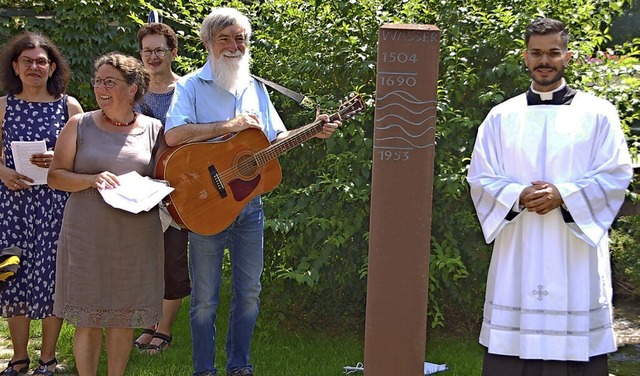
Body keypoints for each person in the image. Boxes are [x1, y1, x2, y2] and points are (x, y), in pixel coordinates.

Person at [164, 7, 339, 376]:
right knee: (205, 301)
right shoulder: (190, 86)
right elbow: (174, 135)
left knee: (249, 295)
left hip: (249, 207)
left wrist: (312, 129)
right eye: (224, 38)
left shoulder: (257, 87)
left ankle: (239, 365)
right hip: (204, 203)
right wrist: (229, 125)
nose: (233, 45)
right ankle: (203, 370)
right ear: (208, 42)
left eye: (240, 38)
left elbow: (275, 140)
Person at [467, 17, 633, 376]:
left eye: (553, 53)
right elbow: (480, 177)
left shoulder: (598, 113)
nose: (545, 60)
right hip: (520, 244)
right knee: (512, 339)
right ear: (525, 57)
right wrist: (518, 195)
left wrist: (564, 194)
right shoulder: (500, 116)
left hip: (573, 247)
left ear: (568, 56)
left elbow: (616, 172)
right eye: (537, 53)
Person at [48, 52, 165, 376]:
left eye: (109, 82)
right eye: (98, 81)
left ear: (132, 89)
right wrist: (91, 179)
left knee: (122, 317)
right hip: (87, 234)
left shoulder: (154, 129)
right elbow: (56, 176)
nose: (101, 88)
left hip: (134, 236)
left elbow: (167, 176)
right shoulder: (79, 124)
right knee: (87, 319)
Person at [0, 31, 83, 376]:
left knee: (54, 277)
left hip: (57, 205)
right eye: (27, 61)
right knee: (12, 274)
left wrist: (59, 160)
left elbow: (86, 158)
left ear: (52, 68)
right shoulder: (3, 106)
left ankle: (47, 358)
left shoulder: (69, 106)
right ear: (15, 67)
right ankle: (19, 357)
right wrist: (2, 172)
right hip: (12, 204)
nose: (34, 67)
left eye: (41, 61)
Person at [131, 21, 191, 355]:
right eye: (147, 50)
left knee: (171, 258)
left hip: (178, 186)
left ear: (173, 53)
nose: (153, 56)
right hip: (140, 187)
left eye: (160, 50)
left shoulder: (187, 90)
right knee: (146, 260)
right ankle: (149, 322)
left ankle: (164, 329)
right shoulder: (133, 93)